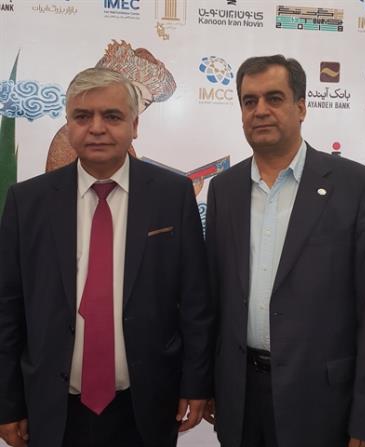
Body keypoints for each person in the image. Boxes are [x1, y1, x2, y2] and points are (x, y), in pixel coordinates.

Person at [0, 67, 213, 447]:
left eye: (112, 116)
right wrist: (7, 402)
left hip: (147, 404)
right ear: (68, 125)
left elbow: (195, 300)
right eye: (82, 116)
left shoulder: (173, 194)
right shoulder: (27, 201)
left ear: (135, 125)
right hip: (51, 407)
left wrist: (196, 383)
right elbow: (7, 309)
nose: (96, 128)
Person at [204, 55, 365, 447]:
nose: (260, 110)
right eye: (249, 101)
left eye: (274, 98)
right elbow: (213, 297)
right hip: (240, 400)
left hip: (323, 404)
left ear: (302, 106)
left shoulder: (357, 187)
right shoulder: (224, 189)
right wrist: (206, 384)